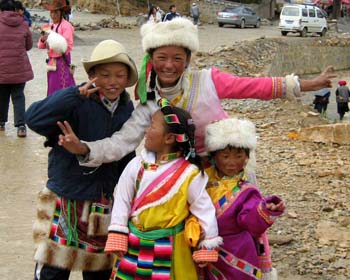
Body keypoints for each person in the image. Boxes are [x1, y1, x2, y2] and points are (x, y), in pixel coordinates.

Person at [25, 39, 138, 280]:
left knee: (99, 270)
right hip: (67, 196)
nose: (113, 82)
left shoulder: (127, 109)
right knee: (54, 268)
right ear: (93, 75)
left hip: (102, 201)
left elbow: (125, 154)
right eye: (105, 75)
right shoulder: (75, 102)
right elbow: (33, 118)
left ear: (127, 78)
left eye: (119, 75)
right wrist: (74, 94)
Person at [104, 98, 222, 279]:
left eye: (152, 126)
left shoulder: (189, 173)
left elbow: (204, 211)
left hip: (172, 247)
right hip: (134, 243)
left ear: (168, 138)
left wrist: (207, 244)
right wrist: (118, 231)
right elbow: (122, 199)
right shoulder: (137, 165)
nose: (146, 131)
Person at [203, 118, 285, 280]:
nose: (232, 163)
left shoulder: (247, 190)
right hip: (205, 248)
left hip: (237, 250)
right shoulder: (201, 178)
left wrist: (266, 210)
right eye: (225, 156)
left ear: (247, 157)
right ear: (214, 156)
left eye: (238, 156)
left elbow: (251, 221)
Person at [0, 0, 33, 137]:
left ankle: (1, 124)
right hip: (19, 68)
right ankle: (21, 126)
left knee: (2, 97)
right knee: (19, 97)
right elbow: (29, 45)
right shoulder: (24, 24)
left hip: (1, 69)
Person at [38, 0, 75, 96]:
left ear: (62, 13)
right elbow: (40, 45)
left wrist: (50, 38)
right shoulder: (48, 27)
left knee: (63, 85)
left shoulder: (66, 26)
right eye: (51, 12)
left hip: (62, 60)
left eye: (56, 12)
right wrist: (43, 39)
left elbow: (66, 46)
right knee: (52, 85)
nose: (53, 15)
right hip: (51, 60)